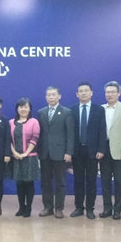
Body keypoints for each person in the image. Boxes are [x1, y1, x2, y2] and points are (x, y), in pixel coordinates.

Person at [70, 82, 107, 220]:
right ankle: (79, 207)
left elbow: (102, 131)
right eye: (81, 91)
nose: (83, 93)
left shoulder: (99, 110)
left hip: (93, 151)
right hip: (77, 150)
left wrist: (101, 149)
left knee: (91, 181)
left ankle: (90, 209)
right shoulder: (71, 110)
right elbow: (70, 133)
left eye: (86, 90)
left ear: (91, 93)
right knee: (78, 181)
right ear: (77, 94)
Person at [37, 86, 74, 219]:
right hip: (44, 153)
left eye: (53, 95)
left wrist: (69, 152)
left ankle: (59, 208)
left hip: (60, 153)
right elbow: (39, 134)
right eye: (48, 95)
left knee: (60, 182)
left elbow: (70, 134)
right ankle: (48, 207)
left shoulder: (66, 112)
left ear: (59, 96)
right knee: (45, 181)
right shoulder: (41, 112)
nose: (51, 97)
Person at [100, 81, 121, 220]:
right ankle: (107, 208)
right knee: (105, 181)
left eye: (113, 92)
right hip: (104, 150)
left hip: (120, 150)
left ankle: (117, 210)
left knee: (119, 182)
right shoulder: (100, 109)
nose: (110, 94)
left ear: (119, 93)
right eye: (107, 92)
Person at [9, 98, 40, 218]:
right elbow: (9, 140)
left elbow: (35, 138)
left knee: (29, 183)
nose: (23, 109)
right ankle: (21, 206)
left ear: (30, 109)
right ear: (17, 109)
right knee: (19, 183)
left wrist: (26, 153)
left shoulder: (34, 122)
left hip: (30, 157)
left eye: (26, 107)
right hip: (16, 157)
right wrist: (15, 153)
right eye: (21, 107)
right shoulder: (11, 122)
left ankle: (29, 207)